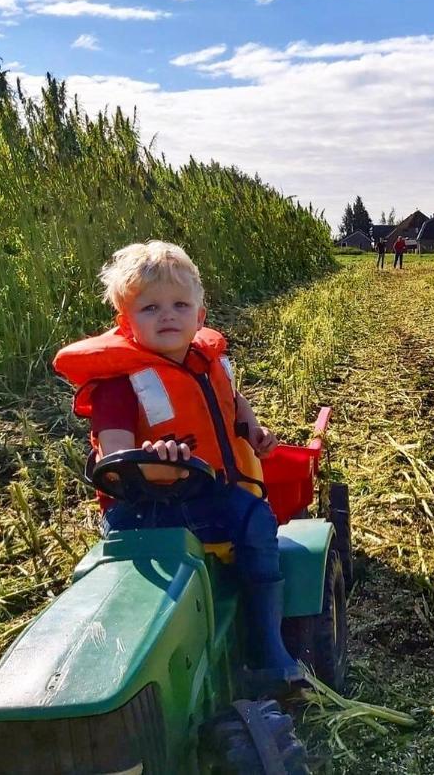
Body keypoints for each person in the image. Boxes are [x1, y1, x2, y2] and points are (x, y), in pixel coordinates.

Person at [53, 241, 302, 691]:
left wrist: (253, 429)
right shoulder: (118, 384)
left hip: (205, 493)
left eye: (179, 304)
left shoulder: (207, 363)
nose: (166, 315)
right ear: (126, 323)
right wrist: (148, 458)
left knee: (257, 519)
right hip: (140, 509)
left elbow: (232, 404)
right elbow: (112, 454)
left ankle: (267, 647)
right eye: (150, 308)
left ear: (199, 317)